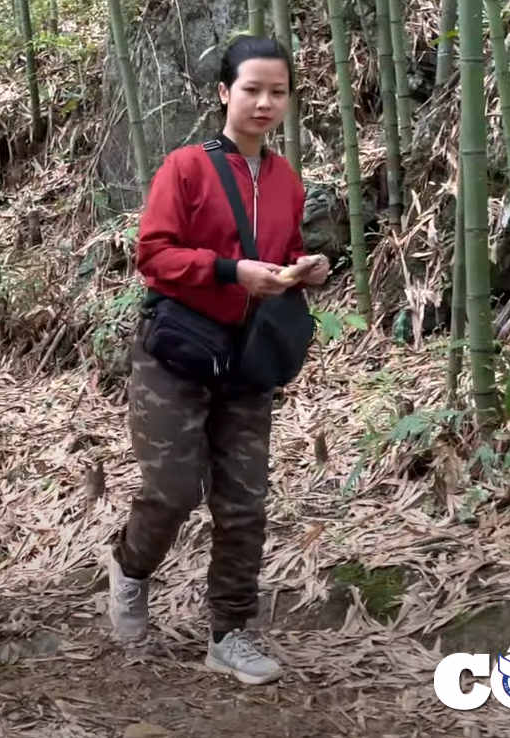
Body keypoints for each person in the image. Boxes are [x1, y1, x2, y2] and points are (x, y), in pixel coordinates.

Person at [105, 35, 329, 686]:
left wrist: (302, 270)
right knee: (170, 491)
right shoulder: (185, 168)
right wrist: (232, 271)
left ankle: (229, 632)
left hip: (247, 360)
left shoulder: (287, 180)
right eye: (251, 89)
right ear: (223, 93)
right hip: (175, 352)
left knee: (243, 505)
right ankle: (130, 568)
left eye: (277, 91)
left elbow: (281, 255)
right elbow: (154, 256)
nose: (264, 102)